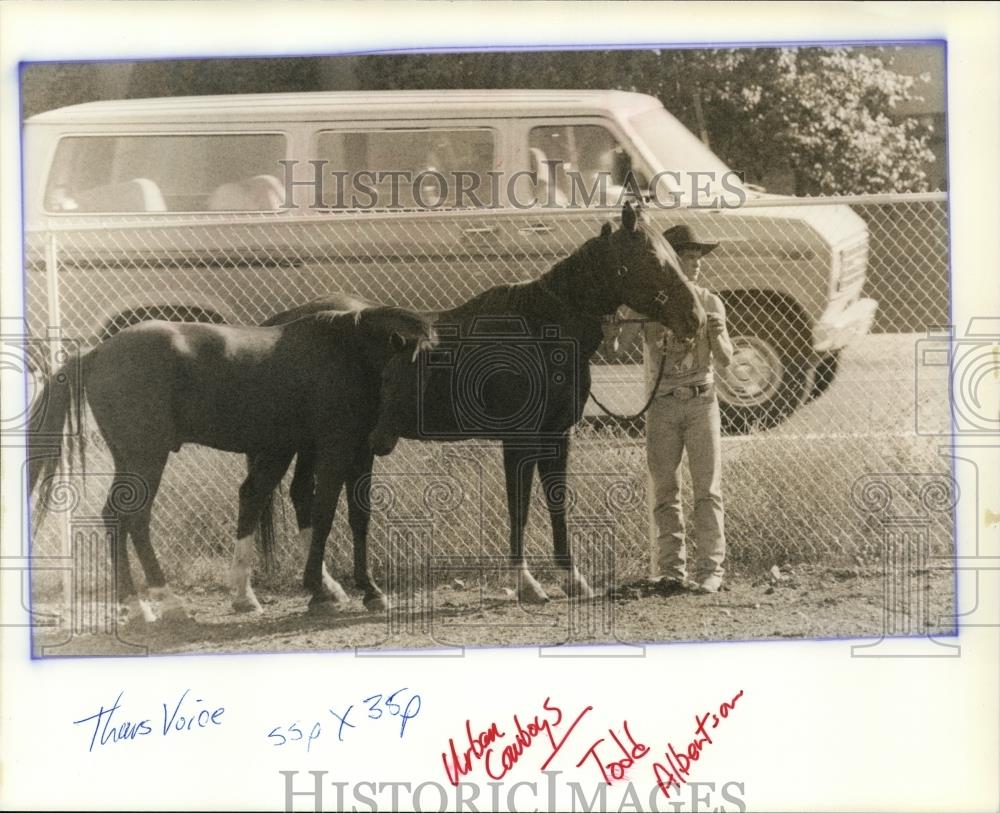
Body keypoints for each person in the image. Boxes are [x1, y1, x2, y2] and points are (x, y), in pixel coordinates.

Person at [614, 223, 733, 593]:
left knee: (706, 489)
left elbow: (727, 360)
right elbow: (617, 349)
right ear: (671, 260)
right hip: (663, 404)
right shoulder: (652, 304)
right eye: (687, 257)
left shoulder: (711, 302)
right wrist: (627, 313)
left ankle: (711, 569)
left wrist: (715, 336)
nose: (695, 265)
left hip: (701, 400)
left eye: (698, 258)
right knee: (665, 489)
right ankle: (670, 570)